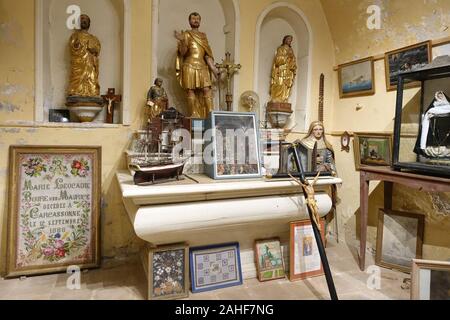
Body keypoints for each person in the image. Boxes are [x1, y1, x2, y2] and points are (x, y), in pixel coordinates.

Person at [175, 12, 219, 119]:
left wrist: (213, 69)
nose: (196, 20)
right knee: (190, 90)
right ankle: (194, 113)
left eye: (198, 19)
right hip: (189, 65)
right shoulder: (186, 34)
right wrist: (182, 41)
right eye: (193, 18)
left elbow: (207, 55)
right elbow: (183, 53)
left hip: (202, 66)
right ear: (189, 21)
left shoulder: (203, 36)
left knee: (206, 89)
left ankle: (210, 113)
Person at [67, 14, 101, 97]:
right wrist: (77, 45)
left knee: (92, 87)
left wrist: (92, 48)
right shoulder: (75, 36)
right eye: (82, 19)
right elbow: (72, 49)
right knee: (76, 86)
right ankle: (76, 91)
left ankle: (91, 93)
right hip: (79, 65)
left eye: (86, 20)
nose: (84, 21)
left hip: (90, 66)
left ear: (89, 23)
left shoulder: (94, 38)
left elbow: (97, 51)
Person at [270, 35, 297, 103]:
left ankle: (284, 98)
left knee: (286, 85)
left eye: (291, 40)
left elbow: (293, 60)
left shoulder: (291, 50)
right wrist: (287, 56)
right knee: (280, 83)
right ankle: (277, 98)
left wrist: (292, 59)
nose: (289, 41)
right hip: (281, 70)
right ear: (285, 40)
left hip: (288, 71)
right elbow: (277, 60)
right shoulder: (280, 48)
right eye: (288, 39)